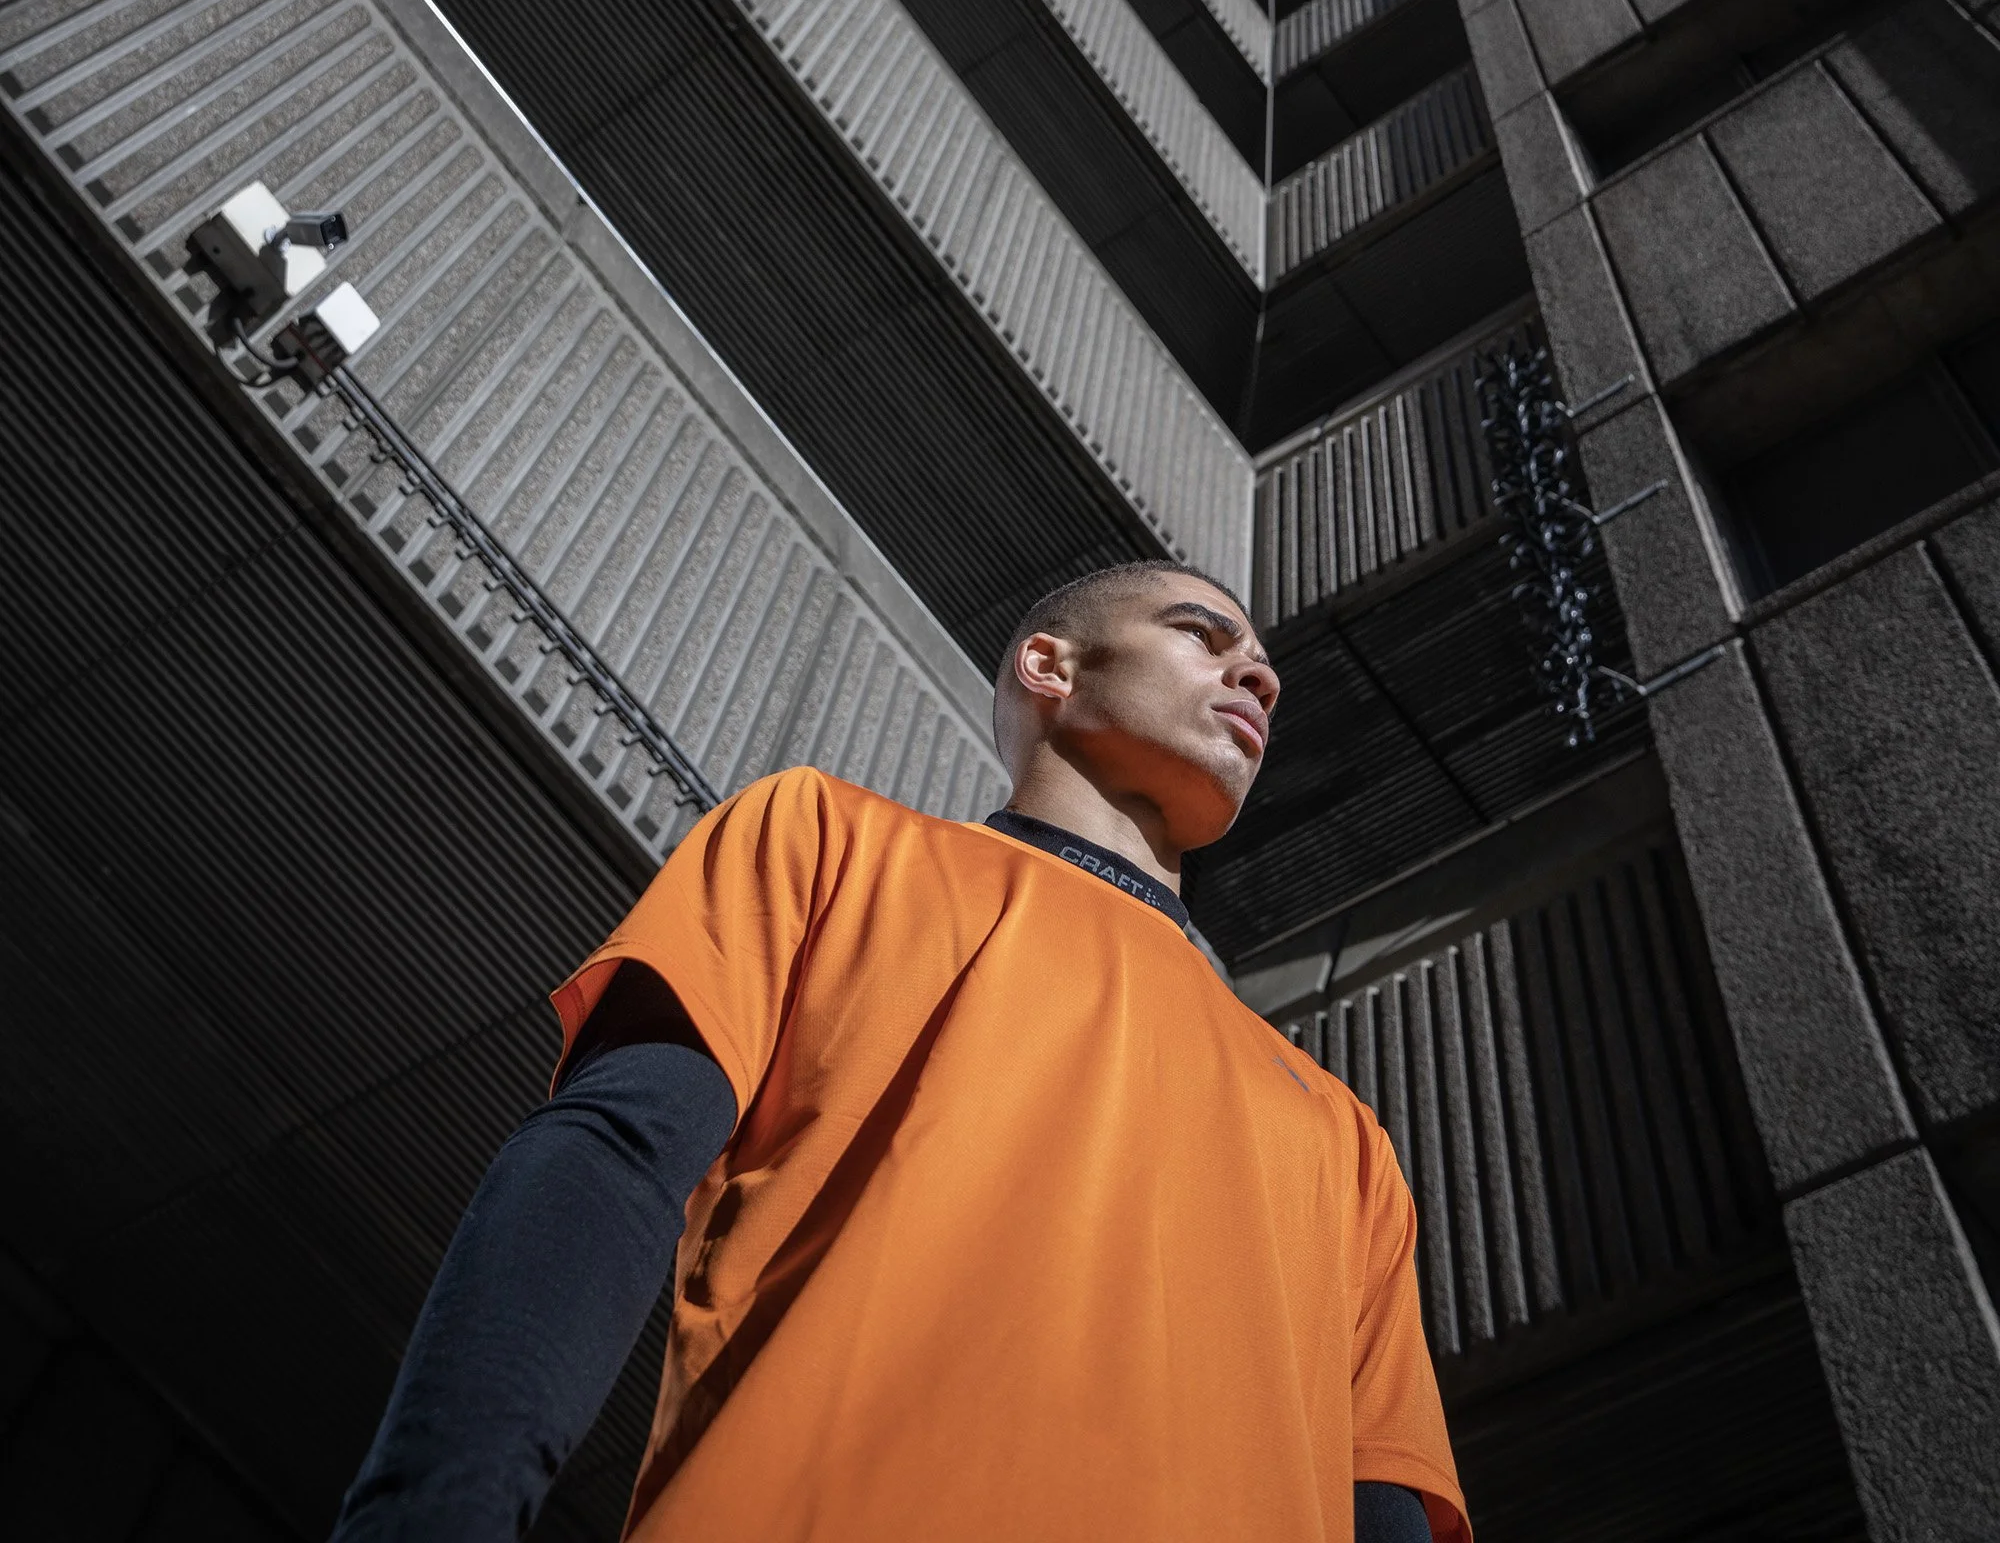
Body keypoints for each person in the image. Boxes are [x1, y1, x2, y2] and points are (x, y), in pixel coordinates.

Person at [333, 561, 1469, 1542]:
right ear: (1049, 667)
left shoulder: (1343, 1137)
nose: (1258, 676)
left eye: (1262, 663)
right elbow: (609, 1159)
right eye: (1201, 635)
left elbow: (1383, 1497)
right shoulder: (826, 840)